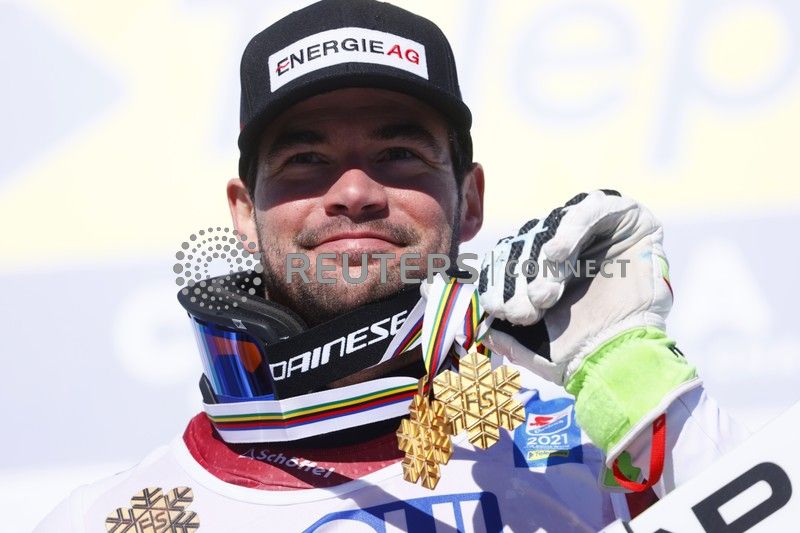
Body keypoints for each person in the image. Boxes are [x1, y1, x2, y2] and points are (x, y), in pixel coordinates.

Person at [37, 1, 746, 531]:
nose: (354, 192)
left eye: (399, 154)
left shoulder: (604, 456)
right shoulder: (106, 519)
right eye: (305, 159)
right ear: (245, 214)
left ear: (469, 200)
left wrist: (642, 383)